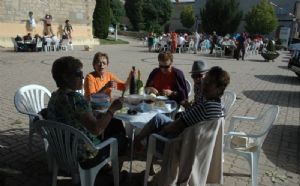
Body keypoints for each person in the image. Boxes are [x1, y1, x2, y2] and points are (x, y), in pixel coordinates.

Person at [47, 56, 128, 170]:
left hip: (63, 150)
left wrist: (94, 114)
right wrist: (112, 109)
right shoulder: (75, 99)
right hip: (84, 156)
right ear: (65, 77)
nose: (82, 77)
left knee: (114, 124)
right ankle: (116, 176)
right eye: (78, 74)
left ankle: (103, 168)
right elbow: (96, 129)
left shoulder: (55, 96)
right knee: (122, 140)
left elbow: (72, 117)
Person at [135, 66, 230, 150]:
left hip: (181, 144)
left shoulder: (205, 107)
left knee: (154, 133)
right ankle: (137, 141)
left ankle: (139, 144)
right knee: (158, 118)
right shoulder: (219, 105)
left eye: (209, 83)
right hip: (195, 140)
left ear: (219, 89)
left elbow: (175, 126)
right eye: (206, 81)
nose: (204, 85)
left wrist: (162, 131)